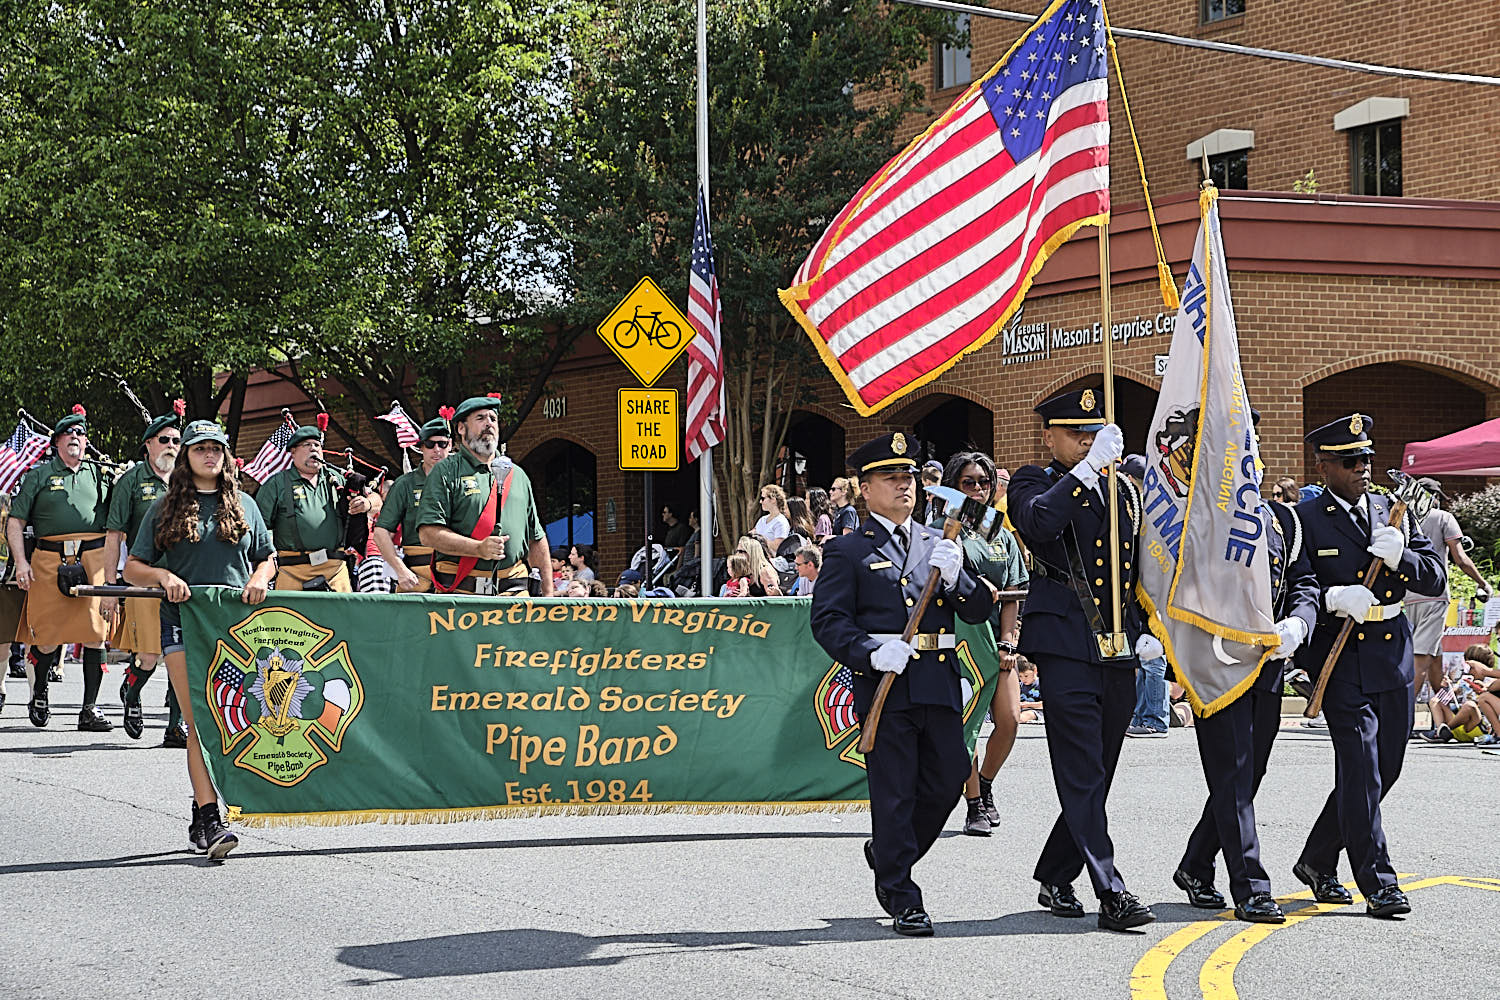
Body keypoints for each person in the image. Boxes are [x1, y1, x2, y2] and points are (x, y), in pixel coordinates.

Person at [809, 431, 994, 937]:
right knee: (893, 792)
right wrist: (870, 650)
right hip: (887, 683)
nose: (903, 485)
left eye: (908, 476)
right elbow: (827, 621)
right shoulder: (847, 549)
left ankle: (889, 851)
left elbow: (979, 609)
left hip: (936, 679)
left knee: (949, 779)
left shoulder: (941, 541)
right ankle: (901, 892)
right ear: (865, 489)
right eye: (890, 478)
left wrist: (960, 581)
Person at [1008, 387, 1161, 932]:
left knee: (1099, 770)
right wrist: (1087, 470)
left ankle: (1055, 869)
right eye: (1074, 432)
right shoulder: (1034, 481)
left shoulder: (1124, 491)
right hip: (1065, 645)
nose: (1085, 440)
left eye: (1093, 432)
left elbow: (1138, 568)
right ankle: (1111, 890)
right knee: (1081, 770)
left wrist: (1148, 630)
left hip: (1118, 647)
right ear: (1048, 434)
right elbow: (1040, 524)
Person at [1290, 413, 1445, 918]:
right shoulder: (1305, 518)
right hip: (1341, 657)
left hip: (1392, 653)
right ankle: (1378, 881)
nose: (1363, 468)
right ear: (1323, 465)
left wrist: (1403, 557)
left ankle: (1316, 859)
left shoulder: (1391, 512)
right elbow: (1298, 581)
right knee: (1360, 770)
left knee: (1386, 769)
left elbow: (1435, 578)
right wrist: (1333, 598)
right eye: (1351, 461)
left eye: (1367, 459)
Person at [1174, 415, 1321, 924]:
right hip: (1216, 665)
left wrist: (1298, 625)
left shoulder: (1282, 519)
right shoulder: (1188, 517)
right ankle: (1252, 886)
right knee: (1233, 775)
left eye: (1249, 446)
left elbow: (1303, 583)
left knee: (1248, 772)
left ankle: (1196, 865)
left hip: (1269, 664)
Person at [124, 419, 276, 859]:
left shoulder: (246, 504)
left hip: (236, 630)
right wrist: (163, 574)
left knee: (229, 721)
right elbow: (133, 568)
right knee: (199, 718)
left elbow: (268, 557)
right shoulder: (164, 506)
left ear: (226, 456)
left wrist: (261, 577)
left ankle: (199, 809)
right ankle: (212, 822)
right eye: (199, 449)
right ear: (187, 457)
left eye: (216, 448)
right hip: (183, 622)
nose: (209, 455)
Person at [928, 450, 1027, 838]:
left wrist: (1008, 642)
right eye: (968, 482)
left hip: (995, 638)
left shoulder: (1000, 532)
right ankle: (973, 806)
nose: (979, 489)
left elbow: (1013, 593)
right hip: (955, 639)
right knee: (963, 725)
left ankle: (984, 784)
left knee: (1010, 721)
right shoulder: (940, 526)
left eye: (984, 482)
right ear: (954, 486)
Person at [6, 405, 118, 731]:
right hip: (48, 560)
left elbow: (121, 515)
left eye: (81, 434)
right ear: (56, 442)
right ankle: (40, 693)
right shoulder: (40, 475)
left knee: (96, 634)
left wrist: (128, 476)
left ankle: (90, 709)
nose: (76, 438)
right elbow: (15, 523)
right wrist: (22, 563)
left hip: (93, 560)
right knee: (46, 636)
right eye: (69, 434)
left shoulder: (101, 474)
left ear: (86, 443)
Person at [416, 395, 553, 596]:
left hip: (514, 594)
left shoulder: (519, 476)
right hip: (462, 596)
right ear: (461, 428)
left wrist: (548, 595)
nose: (489, 423)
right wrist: (477, 548)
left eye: (493, 419)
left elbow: (536, 539)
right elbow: (428, 534)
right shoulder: (445, 472)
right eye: (480, 418)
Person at [107, 404, 188, 744]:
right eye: (165, 439)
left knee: (180, 654)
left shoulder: (188, 482)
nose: (172, 445)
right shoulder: (131, 481)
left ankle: (175, 726)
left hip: (183, 580)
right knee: (151, 655)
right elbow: (113, 535)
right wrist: (110, 589)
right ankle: (131, 689)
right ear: (149, 445)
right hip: (144, 578)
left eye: (177, 440)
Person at [255, 415, 375, 592]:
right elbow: (258, 529)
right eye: (307, 445)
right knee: (292, 620)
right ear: (293, 451)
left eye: (317, 445)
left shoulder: (338, 478)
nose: (314, 450)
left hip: (335, 571)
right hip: (292, 571)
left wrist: (367, 504)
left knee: (340, 620)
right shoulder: (276, 484)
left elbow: (377, 499)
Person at [1404, 477, 1490, 716]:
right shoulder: (1443, 518)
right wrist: (1482, 583)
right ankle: (1403, 718)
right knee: (1421, 658)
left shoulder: (1406, 518)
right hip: (1434, 595)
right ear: (1434, 497)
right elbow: (1460, 558)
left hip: (1409, 596)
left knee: (1435, 661)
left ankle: (1446, 712)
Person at [371, 416, 452, 594]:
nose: (436, 450)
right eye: (430, 445)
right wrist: (400, 569)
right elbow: (381, 532)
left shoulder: (461, 482)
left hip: (456, 572)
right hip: (417, 575)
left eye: (442, 444)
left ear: (451, 445)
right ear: (421, 447)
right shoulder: (405, 484)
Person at [754, 485, 790, 552]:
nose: (760, 502)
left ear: (773, 500)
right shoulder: (762, 520)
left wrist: (759, 539)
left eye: (763, 498)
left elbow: (778, 547)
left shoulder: (781, 522)